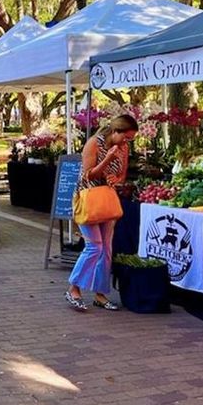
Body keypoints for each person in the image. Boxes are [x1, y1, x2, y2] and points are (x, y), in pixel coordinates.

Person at [65, 114, 139, 311]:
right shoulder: (93, 144)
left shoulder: (123, 148)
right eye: (126, 137)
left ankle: (100, 293)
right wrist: (108, 158)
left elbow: (122, 173)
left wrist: (117, 179)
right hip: (88, 198)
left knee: (106, 248)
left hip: (106, 198)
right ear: (115, 132)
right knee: (94, 246)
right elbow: (90, 174)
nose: (127, 142)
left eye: (130, 139)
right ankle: (74, 288)